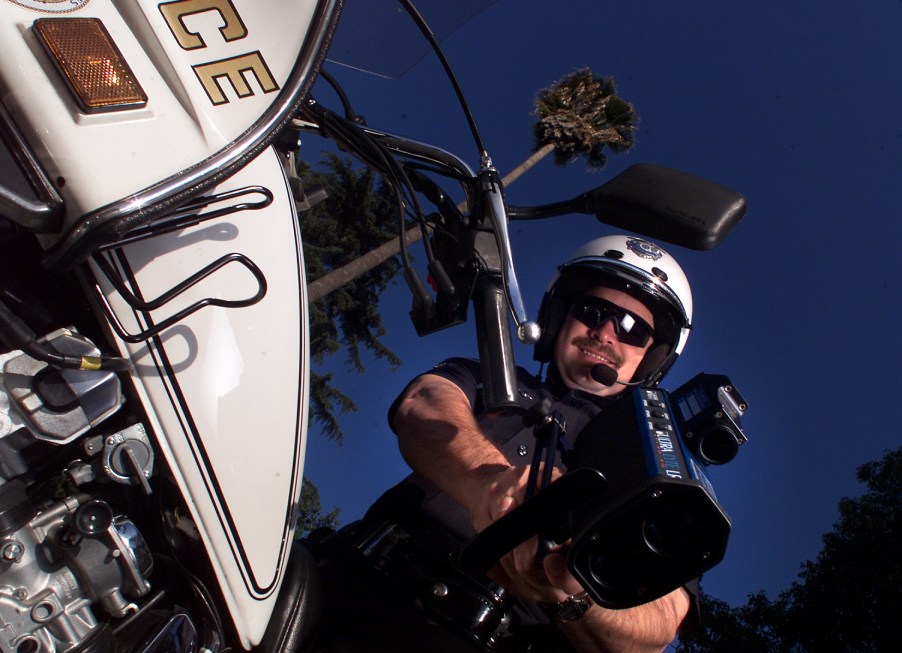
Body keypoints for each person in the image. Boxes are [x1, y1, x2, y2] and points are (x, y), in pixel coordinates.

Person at [309, 235, 696, 653]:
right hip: (344, 580)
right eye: (592, 312)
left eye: (631, 329)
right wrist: (492, 485)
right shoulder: (492, 376)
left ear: (652, 359)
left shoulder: (655, 463)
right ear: (559, 318)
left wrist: (569, 586)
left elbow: (661, 622)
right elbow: (423, 405)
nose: (604, 333)